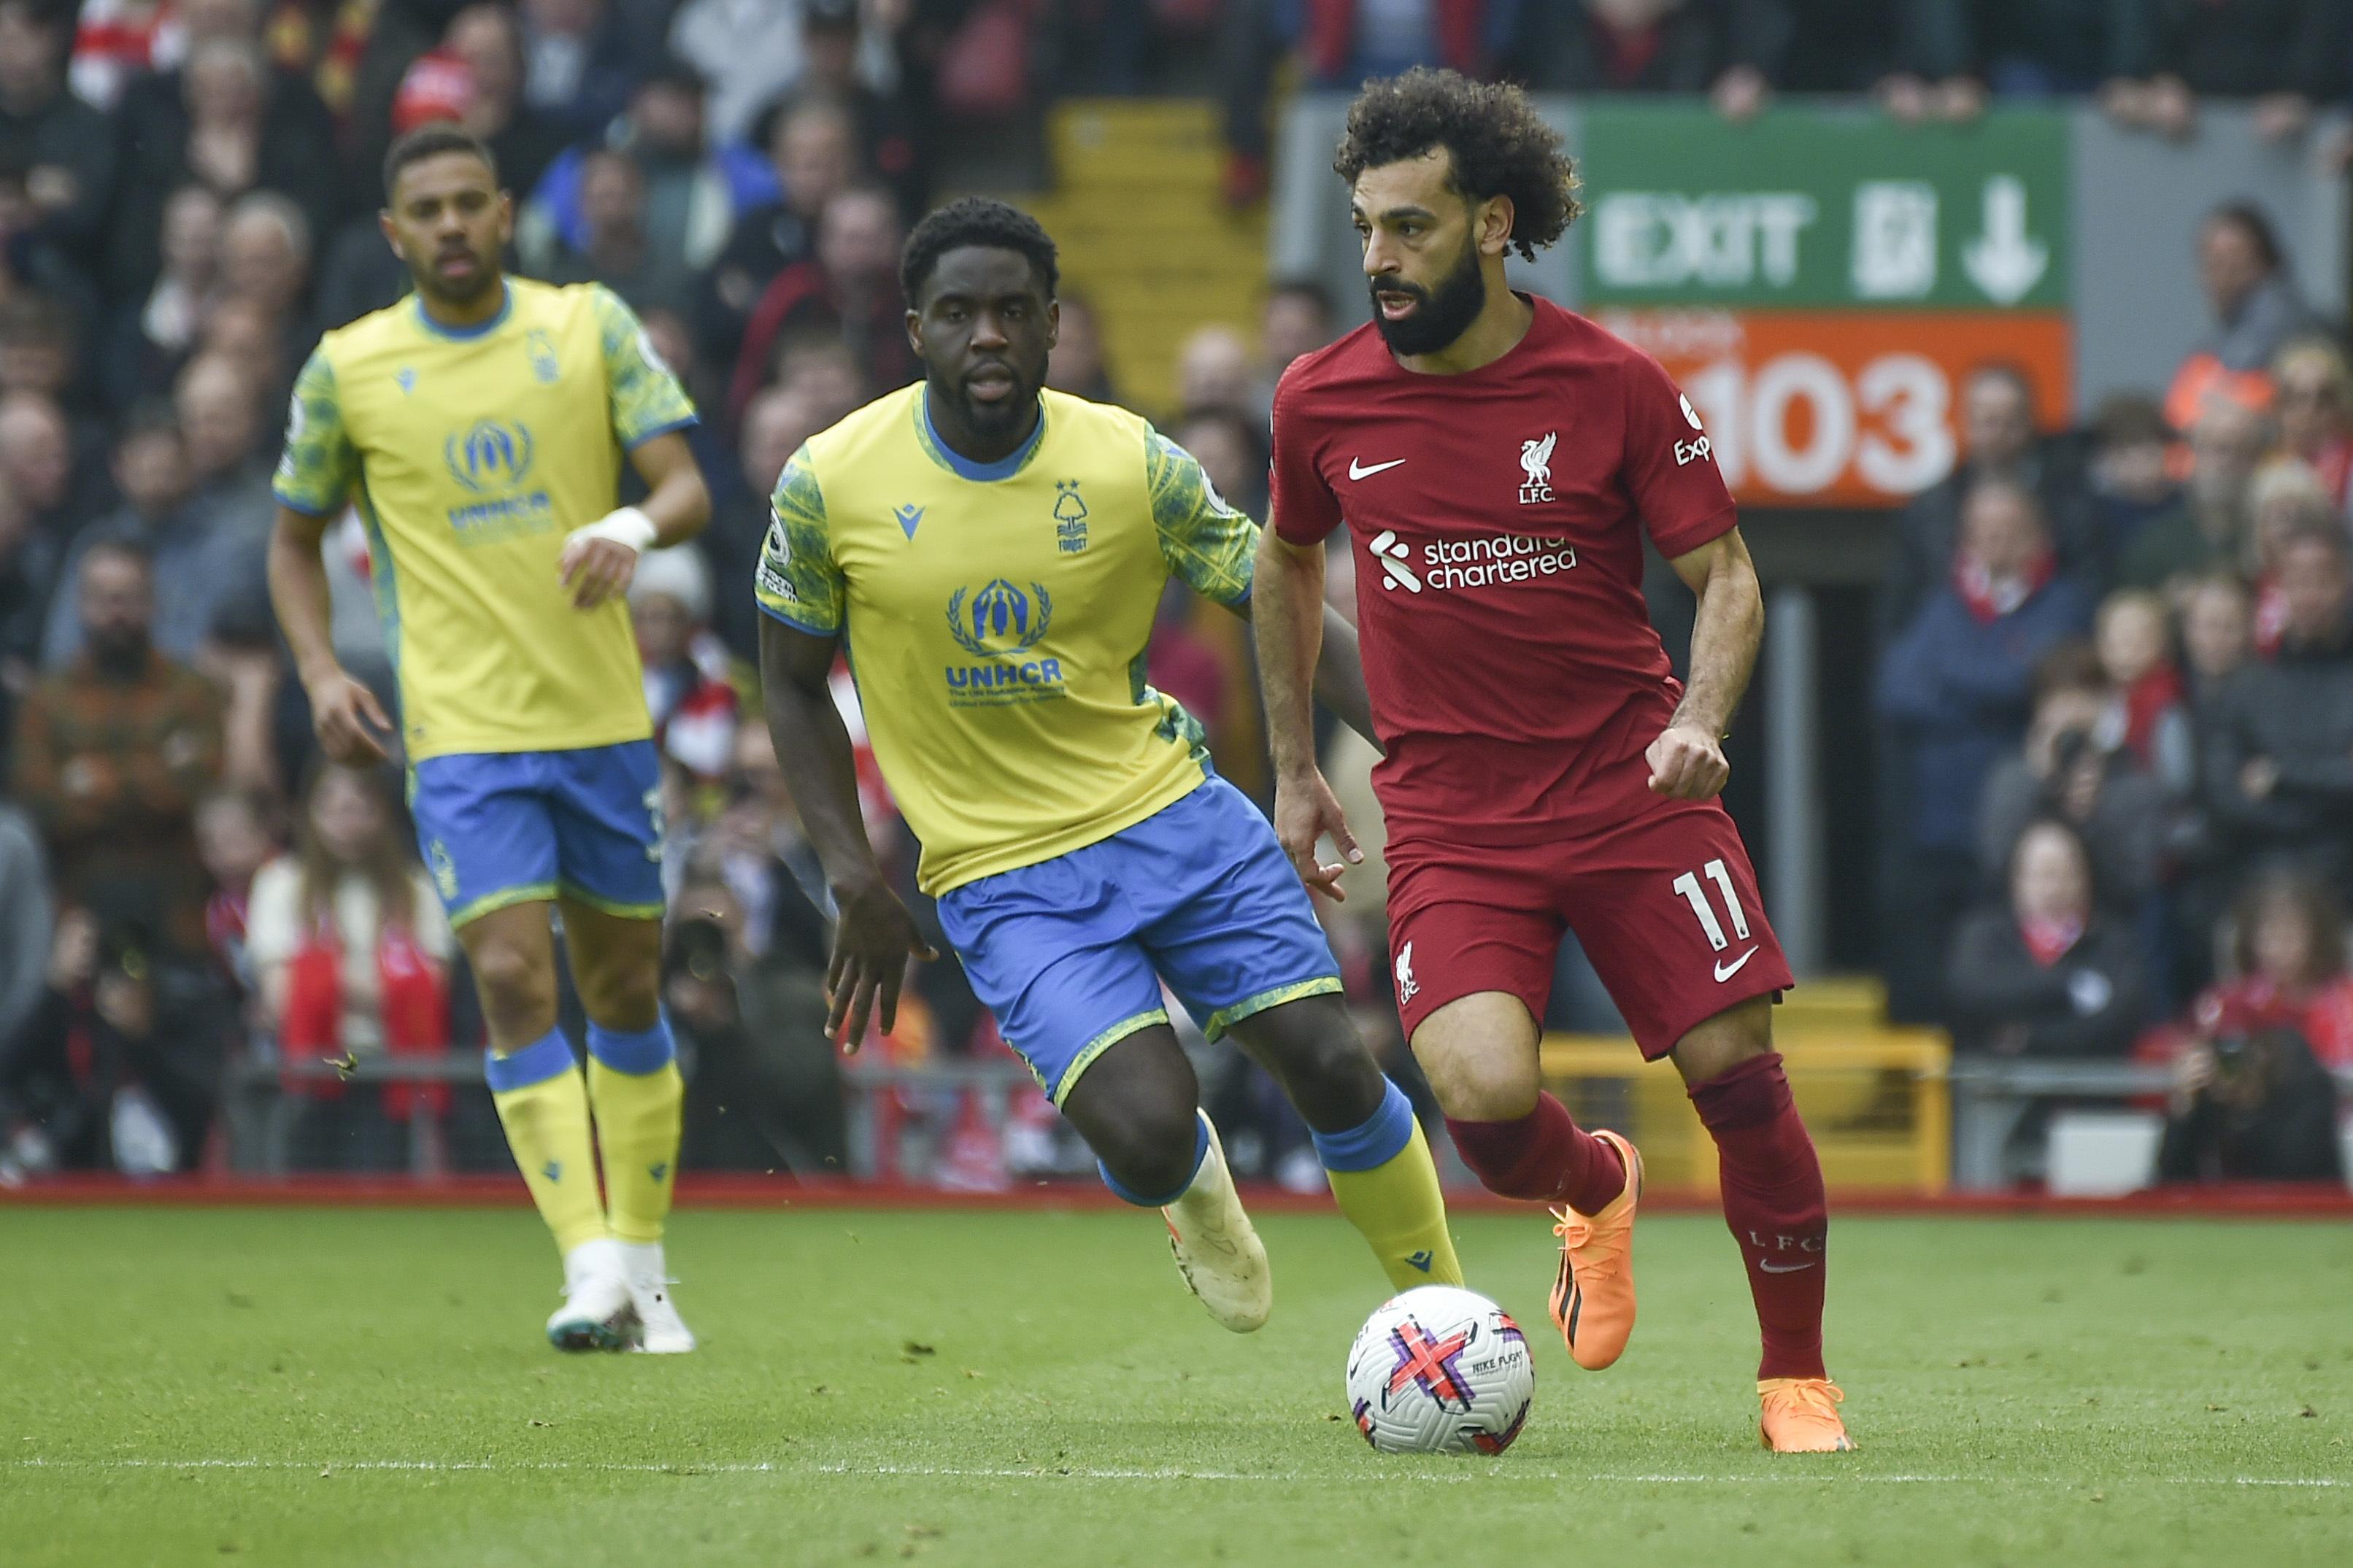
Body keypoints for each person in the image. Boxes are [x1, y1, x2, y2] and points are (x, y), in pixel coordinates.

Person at [1254, 69, 1846, 1453]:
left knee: (1736, 1070)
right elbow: (1280, 564)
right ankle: (1591, 1187)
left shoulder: (1610, 382)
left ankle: (1792, 1378)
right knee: (1474, 1087)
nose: (1375, 260)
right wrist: (1293, 767)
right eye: (1362, 228)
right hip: (1452, 811)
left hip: (1626, 785)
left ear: (1493, 223)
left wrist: (1698, 715)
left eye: (1406, 228)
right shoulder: (1319, 398)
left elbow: (1729, 579)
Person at [756, 197, 1464, 1335]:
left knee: (1333, 1064)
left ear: (1049, 329)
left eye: (1010, 312)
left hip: (1171, 815)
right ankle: (1193, 1191)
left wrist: (1433, 755)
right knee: (1142, 1132)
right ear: (914, 329)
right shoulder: (829, 481)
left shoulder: (1134, 463)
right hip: (1000, 869)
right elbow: (790, 681)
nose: (985, 335)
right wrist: (851, 874)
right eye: (957, 313)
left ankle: (1446, 1320)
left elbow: (1278, 599)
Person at [267, 125, 712, 1353]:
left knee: (624, 988)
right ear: (394, 232)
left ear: (505, 213)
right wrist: (315, 668)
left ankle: (645, 1269)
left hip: (603, 722)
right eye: (430, 208)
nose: (454, 223)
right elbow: (292, 536)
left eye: (472, 201)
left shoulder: (587, 327)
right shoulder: (347, 369)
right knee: (514, 976)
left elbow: (686, 483)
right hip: (460, 735)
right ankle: (587, 1268)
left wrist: (629, 520)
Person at [9, 541, 224, 959]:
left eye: (129, 597)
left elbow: (200, 786)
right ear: (81, 605)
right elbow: (39, 801)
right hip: (76, 901)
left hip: (176, 899)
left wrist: (90, 779)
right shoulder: (47, 700)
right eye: (102, 598)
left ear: (152, 602)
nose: (116, 612)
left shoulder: (192, 691)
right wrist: (156, 769)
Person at [246, 762, 455, 1170]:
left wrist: (327, 983)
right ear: (308, 813)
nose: (347, 820)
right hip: (311, 1072)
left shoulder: (418, 890)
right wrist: (381, 991)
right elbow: (281, 1000)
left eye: (359, 806)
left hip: (391, 1071)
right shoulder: (280, 884)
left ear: (382, 813)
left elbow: (435, 989)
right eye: (332, 806)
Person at [2203, 521, 2353, 884]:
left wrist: (2280, 777)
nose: (2310, 595)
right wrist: (2322, 805)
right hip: (2261, 872)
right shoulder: (2247, 684)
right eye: (2298, 581)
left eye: (2323, 579)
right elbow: (2224, 794)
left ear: (2345, 582)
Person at [1944, 817, 2146, 1059]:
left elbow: (2119, 1017)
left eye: (2066, 874)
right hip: (1996, 1087)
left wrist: (2032, 1039)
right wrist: (2067, 987)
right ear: (2016, 880)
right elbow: (1972, 992)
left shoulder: (2112, 940)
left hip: (2088, 1086)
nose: (2054, 889)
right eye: (2042, 875)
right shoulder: (1982, 935)